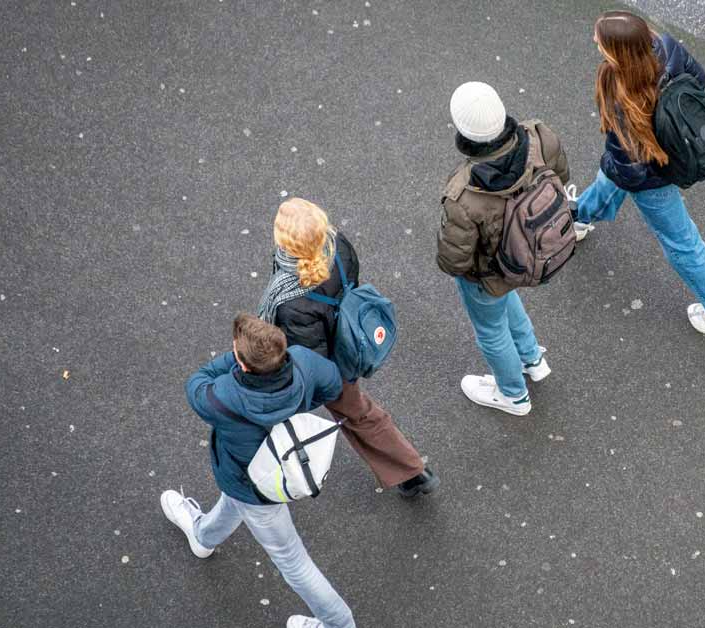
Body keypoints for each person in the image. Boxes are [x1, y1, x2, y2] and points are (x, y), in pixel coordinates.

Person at [161, 314, 354, 628]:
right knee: (235, 505)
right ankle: (203, 535)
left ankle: (339, 624)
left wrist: (236, 357)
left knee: (293, 562)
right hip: (283, 469)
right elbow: (331, 385)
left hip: (249, 482)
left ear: (243, 363)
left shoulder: (222, 398)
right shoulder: (303, 362)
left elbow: (197, 381)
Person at [572, 10, 705, 344]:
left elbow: (628, 168)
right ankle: (579, 216)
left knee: (683, 244)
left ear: (618, 53)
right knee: (609, 179)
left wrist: (622, 166)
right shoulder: (666, 46)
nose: (595, 40)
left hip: (651, 177)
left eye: (601, 39)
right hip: (670, 156)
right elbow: (697, 78)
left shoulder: (617, 90)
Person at [258, 197, 438, 497]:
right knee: (361, 414)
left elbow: (308, 359)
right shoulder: (337, 244)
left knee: (266, 407)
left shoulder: (291, 301)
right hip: (348, 343)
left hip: (328, 364)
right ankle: (412, 471)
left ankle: (263, 467)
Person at [436, 81, 568, 415]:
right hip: (529, 254)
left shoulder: (464, 194)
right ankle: (531, 358)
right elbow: (562, 181)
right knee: (506, 301)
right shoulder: (540, 137)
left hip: (490, 274)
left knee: (491, 330)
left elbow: (454, 261)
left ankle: (513, 394)